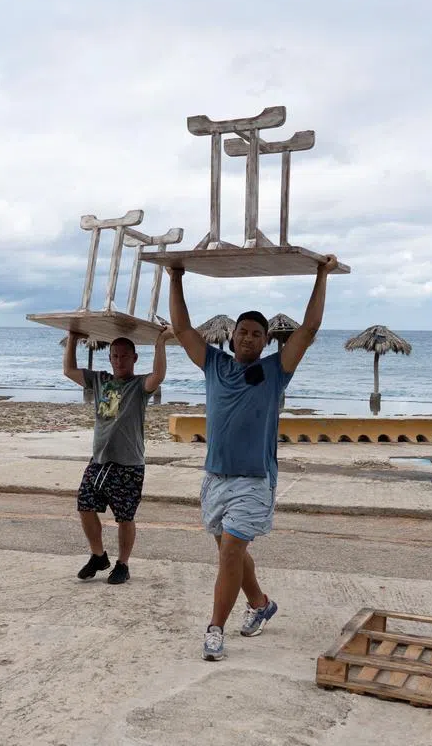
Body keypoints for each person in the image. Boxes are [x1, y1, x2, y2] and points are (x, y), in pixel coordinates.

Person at [167, 255, 338, 659]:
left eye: (256, 334)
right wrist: (176, 277)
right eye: (242, 332)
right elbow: (181, 329)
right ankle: (262, 605)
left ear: (265, 341)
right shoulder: (214, 364)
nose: (248, 338)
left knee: (229, 553)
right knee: (231, 553)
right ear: (232, 337)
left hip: (254, 479)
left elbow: (309, 328)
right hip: (215, 477)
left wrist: (321, 275)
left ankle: (214, 629)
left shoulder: (276, 370)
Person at [63, 328, 173, 584]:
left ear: (134, 358)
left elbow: (159, 375)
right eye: (115, 356)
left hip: (128, 464)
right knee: (85, 506)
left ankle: (123, 564)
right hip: (99, 461)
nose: (119, 360)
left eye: (125, 356)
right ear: (110, 358)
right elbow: (69, 370)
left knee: (125, 517)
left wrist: (160, 342)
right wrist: (72, 338)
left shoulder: (139, 385)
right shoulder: (100, 379)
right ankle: (98, 556)